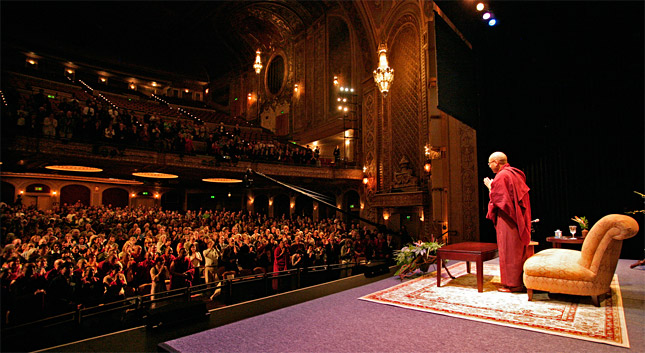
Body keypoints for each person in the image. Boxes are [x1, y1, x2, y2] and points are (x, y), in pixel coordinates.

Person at [483, 151, 532, 293]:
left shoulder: (502, 176)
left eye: (490, 163)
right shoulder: (514, 173)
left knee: (508, 250)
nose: (489, 166)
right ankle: (518, 281)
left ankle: (513, 284)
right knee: (516, 249)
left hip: (507, 219)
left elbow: (501, 201)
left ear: (496, 163)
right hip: (516, 218)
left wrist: (491, 188)